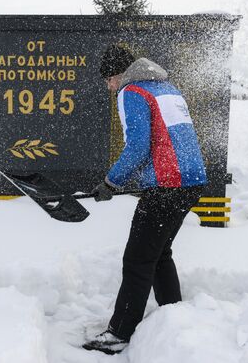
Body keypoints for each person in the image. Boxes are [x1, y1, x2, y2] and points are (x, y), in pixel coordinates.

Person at [82, 44, 208, 355]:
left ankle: (119, 333)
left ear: (117, 74)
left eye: (108, 81)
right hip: (191, 180)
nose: (110, 87)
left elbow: (138, 146)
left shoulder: (132, 91)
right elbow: (168, 139)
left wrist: (111, 181)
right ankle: (173, 316)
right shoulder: (166, 88)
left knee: (137, 259)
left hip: (168, 184)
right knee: (159, 253)